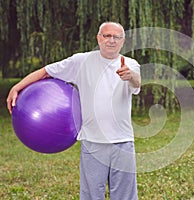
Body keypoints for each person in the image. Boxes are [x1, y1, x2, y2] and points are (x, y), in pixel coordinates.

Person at [7, 22, 141, 200]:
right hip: (92, 142)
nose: (111, 40)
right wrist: (17, 87)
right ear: (98, 38)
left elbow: (137, 83)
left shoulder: (131, 64)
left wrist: (130, 75)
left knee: (125, 196)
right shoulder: (81, 61)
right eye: (107, 36)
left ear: (123, 41)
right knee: (91, 195)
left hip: (122, 142)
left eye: (116, 37)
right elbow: (46, 72)